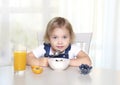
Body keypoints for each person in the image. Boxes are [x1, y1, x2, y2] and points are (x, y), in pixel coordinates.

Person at [27, 17, 92, 67]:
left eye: (64, 37)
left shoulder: (72, 49)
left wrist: (67, 62)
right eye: (55, 37)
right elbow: (27, 58)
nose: (60, 42)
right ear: (49, 38)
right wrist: (38, 62)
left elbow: (87, 61)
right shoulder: (44, 48)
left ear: (70, 38)